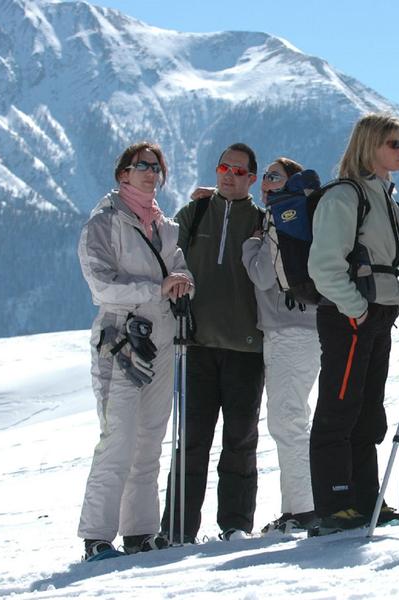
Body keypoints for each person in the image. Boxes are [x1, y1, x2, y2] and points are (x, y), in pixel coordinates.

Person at [77, 142, 193, 559]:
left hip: (161, 336)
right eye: (141, 166)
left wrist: (183, 282)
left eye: (156, 167)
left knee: (149, 438)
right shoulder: (105, 223)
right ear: (122, 174)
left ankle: (141, 532)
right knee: (118, 437)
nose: (150, 173)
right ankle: (96, 537)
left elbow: (178, 267)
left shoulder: (163, 225)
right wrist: (155, 289)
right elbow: (100, 285)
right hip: (120, 338)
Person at [308, 113, 399, 533]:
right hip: (350, 316)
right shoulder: (344, 196)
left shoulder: (379, 193)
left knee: (367, 409)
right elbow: (325, 267)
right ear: (370, 146)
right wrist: (356, 308)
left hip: (373, 313)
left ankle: (366, 498)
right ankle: (335, 504)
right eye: (394, 143)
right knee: (340, 407)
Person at [161, 143, 265, 541]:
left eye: (239, 171)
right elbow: (165, 250)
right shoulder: (196, 212)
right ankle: (177, 530)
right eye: (224, 167)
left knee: (240, 441)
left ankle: (235, 526)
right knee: (190, 442)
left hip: (247, 347)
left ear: (251, 179)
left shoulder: (260, 219)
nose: (229, 175)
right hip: (196, 344)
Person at [240, 157, 321, 534]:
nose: (266, 183)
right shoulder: (305, 217)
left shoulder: (279, 219)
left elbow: (261, 275)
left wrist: (250, 243)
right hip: (307, 327)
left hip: (288, 330)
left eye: (273, 176)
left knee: (288, 419)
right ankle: (296, 508)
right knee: (293, 417)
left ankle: (303, 510)